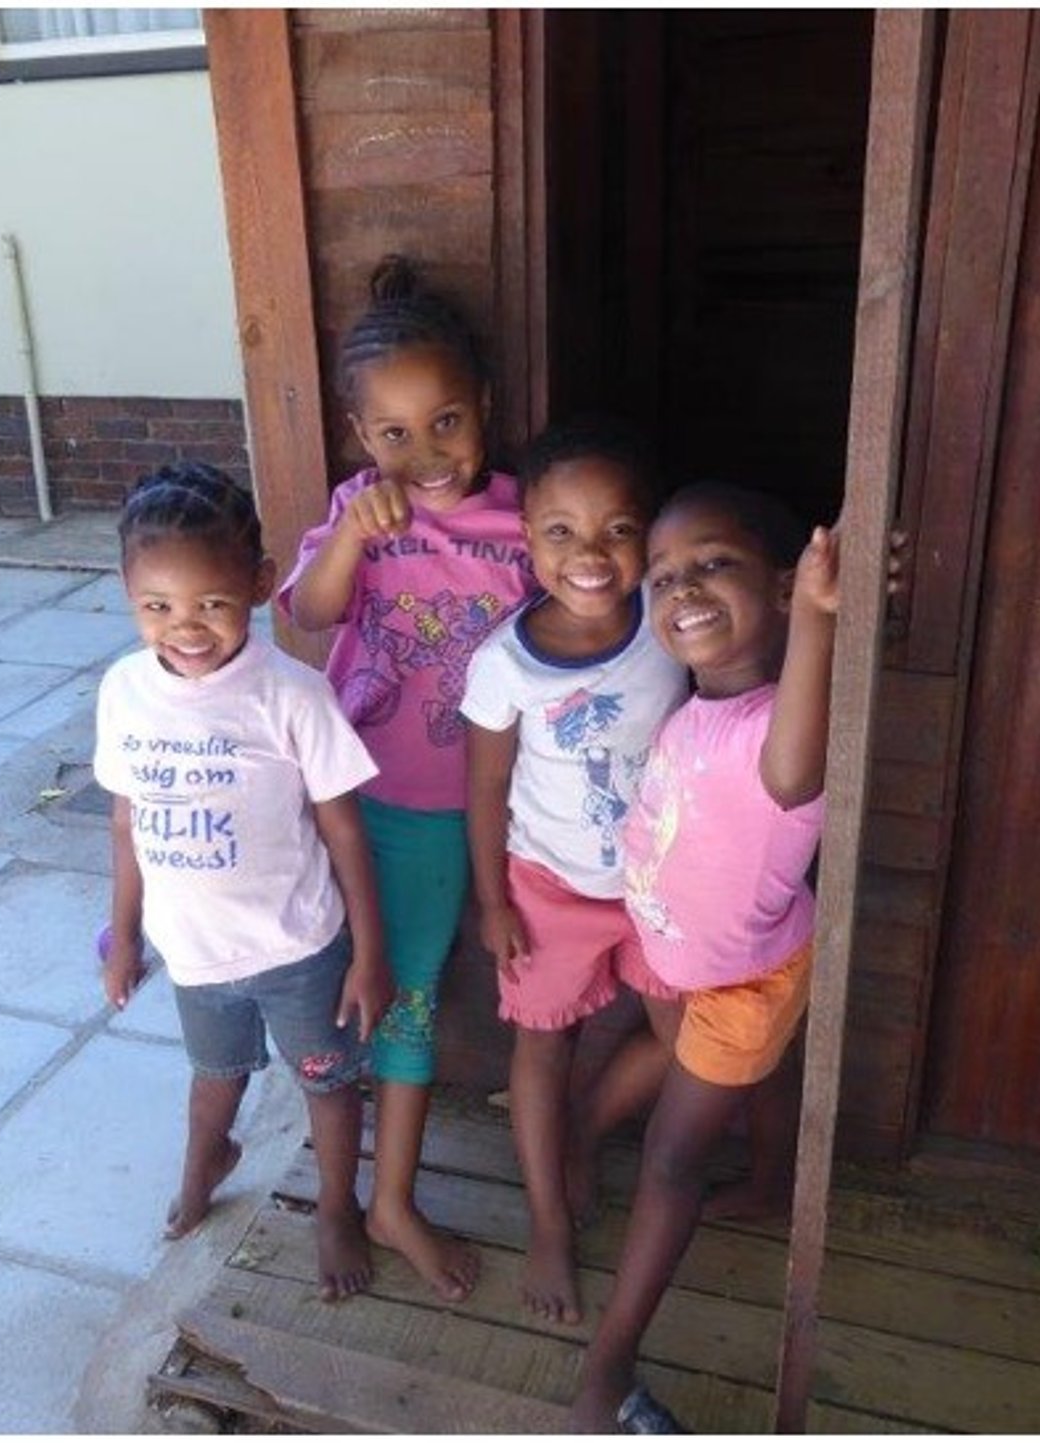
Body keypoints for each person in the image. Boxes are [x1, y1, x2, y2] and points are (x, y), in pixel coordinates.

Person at [568, 483, 889, 1432]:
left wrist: (822, 615)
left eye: (714, 564)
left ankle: (607, 1369)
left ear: (785, 587)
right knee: (757, 1075)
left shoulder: (780, 732)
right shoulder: (697, 702)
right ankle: (765, 1178)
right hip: (683, 954)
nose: (683, 589)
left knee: (671, 1159)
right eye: (665, 576)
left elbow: (789, 767)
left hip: (741, 980)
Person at [276, 255, 535, 1302]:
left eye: (446, 423)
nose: (424, 454)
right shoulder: (359, 511)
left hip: (444, 816)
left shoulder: (527, 523)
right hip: (344, 796)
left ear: (486, 408)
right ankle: (341, 1198)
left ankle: (387, 1200)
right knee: (329, 995)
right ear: (358, 437)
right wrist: (349, 532)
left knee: (406, 997)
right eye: (393, 434)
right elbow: (307, 613)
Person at [94, 461, 393, 1303]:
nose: (186, 629)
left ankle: (336, 1205)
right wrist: (124, 936)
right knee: (213, 1073)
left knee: (327, 1082)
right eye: (157, 607)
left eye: (213, 604)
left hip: (299, 947)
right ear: (127, 592)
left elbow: (344, 828)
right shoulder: (123, 691)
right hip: (195, 952)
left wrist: (369, 954)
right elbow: (125, 823)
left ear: (260, 585)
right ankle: (206, 1162)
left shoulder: (292, 695)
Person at [460, 417, 690, 1327]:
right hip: (548, 889)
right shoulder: (504, 665)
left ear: (649, 534)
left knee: (689, 1040)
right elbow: (485, 787)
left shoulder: (669, 624)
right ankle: (548, 1220)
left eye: (617, 529)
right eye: (561, 531)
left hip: (659, 885)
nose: (590, 554)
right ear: (527, 537)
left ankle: (585, 1130)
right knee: (541, 1045)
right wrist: (493, 901)